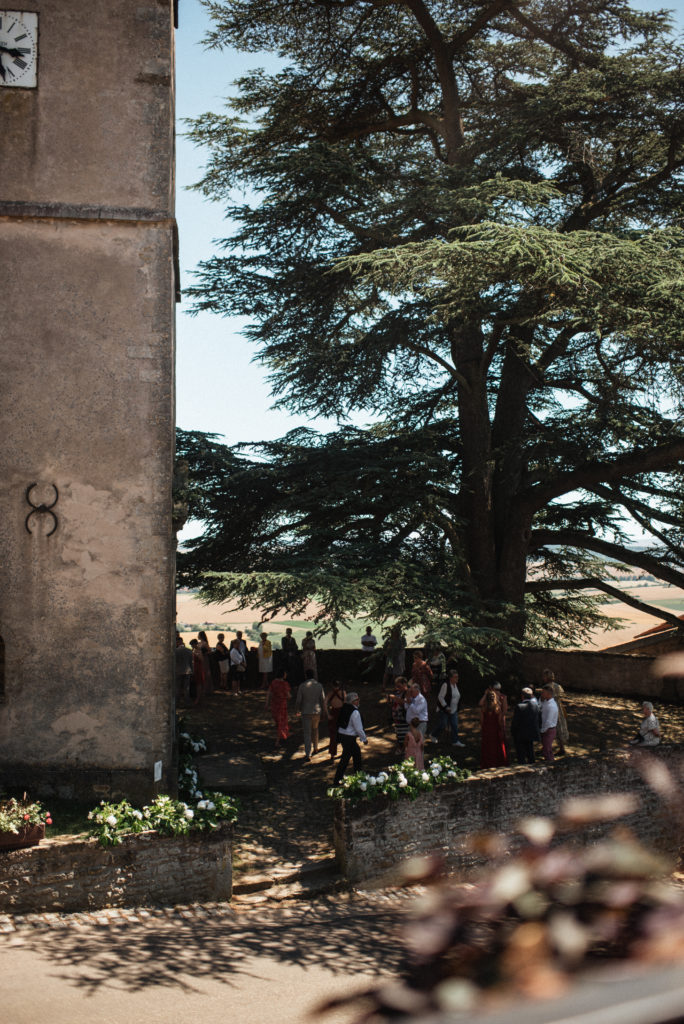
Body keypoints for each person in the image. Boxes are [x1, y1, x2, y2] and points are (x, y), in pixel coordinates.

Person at [332, 692, 368, 785]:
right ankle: (341, 780)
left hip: (343, 735)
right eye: (356, 700)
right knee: (347, 758)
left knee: (354, 755)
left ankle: (356, 776)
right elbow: (358, 728)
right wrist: (364, 739)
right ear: (352, 702)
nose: (358, 701)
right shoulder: (355, 712)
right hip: (349, 738)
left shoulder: (344, 708)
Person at [295, 669, 327, 762]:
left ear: (306, 675)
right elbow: (323, 699)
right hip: (317, 711)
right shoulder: (319, 685)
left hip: (306, 711)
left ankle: (308, 753)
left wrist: (297, 709)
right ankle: (316, 747)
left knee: (307, 733)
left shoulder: (302, 686)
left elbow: (298, 700)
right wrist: (325, 711)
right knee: (315, 729)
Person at [429, 668, 464, 747]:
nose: (457, 678)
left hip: (453, 710)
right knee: (443, 724)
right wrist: (446, 707)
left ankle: (455, 741)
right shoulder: (446, 685)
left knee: (454, 725)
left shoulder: (456, 685)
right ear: (451, 678)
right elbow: (440, 697)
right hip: (444, 709)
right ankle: (433, 735)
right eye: (455, 677)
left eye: (457, 677)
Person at [542, 668, 569, 755]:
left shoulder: (548, 687)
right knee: (559, 726)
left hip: (551, 707)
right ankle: (561, 747)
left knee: (550, 726)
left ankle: (547, 747)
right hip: (558, 707)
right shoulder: (557, 686)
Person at [511, 687, 541, 764]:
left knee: (521, 754)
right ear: (531, 696)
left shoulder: (519, 706)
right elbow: (539, 719)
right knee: (530, 752)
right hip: (532, 733)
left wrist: (513, 732)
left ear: (522, 696)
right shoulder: (536, 706)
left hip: (521, 734)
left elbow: (515, 722)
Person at [480, 689, 508, 768]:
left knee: (487, 747)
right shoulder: (497, 708)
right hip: (495, 729)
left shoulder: (483, 708)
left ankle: (487, 763)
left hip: (487, 729)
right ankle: (498, 762)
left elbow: (481, 720)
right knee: (496, 747)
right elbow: (499, 721)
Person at [266, 671, 291, 750]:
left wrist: (267, 703)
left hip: (274, 704)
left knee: (278, 722)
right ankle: (278, 740)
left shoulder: (273, 683)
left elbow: (269, 693)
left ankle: (280, 736)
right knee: (281, 722)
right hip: (282, 705)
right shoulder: (284, 684)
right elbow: (288, 695)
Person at [326, 679, 346, 761]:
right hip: (341, 713)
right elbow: (346, 703)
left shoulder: (330, 693)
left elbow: (324, 702)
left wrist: (328, 714)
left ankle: (332, 754)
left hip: (333, 713)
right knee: (343, 733)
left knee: (333, 735)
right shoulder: (343, 693)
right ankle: (345, 752)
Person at [539, 684, 559, 763]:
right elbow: (540, 706)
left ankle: (550, 764)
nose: (542, 694)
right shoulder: (546, 702)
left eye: (543, 693)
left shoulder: (552, 706)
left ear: (548, 694)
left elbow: (549, 721)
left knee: (546, 749)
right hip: (546, 729)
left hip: (549, 730)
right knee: (546, 748)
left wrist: (543, 730)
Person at [390, 676, 410, 754]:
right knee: (398, 734)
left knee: (404, 735)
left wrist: (395, 698)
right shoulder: (397, 693)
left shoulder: (407, 693)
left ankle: (404, 749)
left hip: (404, 717)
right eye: (396, 686)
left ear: (404, 684)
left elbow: (405, 704)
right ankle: (399, 748)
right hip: (397, 717)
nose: (397, 688)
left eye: (399, 686)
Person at [175, 635, 194, 705]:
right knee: (186, 687)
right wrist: (192, 671)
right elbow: (191, 662)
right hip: (187, 671)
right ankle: (187, 701)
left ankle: (177, 702)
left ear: (177, 642)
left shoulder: (175, 651)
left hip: (178, 671)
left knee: (178, 687)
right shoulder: (189, 651)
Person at [189, 638, 206, 705]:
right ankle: (198, 697)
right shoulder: (194, 650)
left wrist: (197, 655)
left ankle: (198, 698)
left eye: (192, 645)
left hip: (198, 668)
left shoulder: (198, 650)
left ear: (195, 644)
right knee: (196, 683)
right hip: (194, 667)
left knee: (199, 683)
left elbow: (202, 660)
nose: (192, 646)